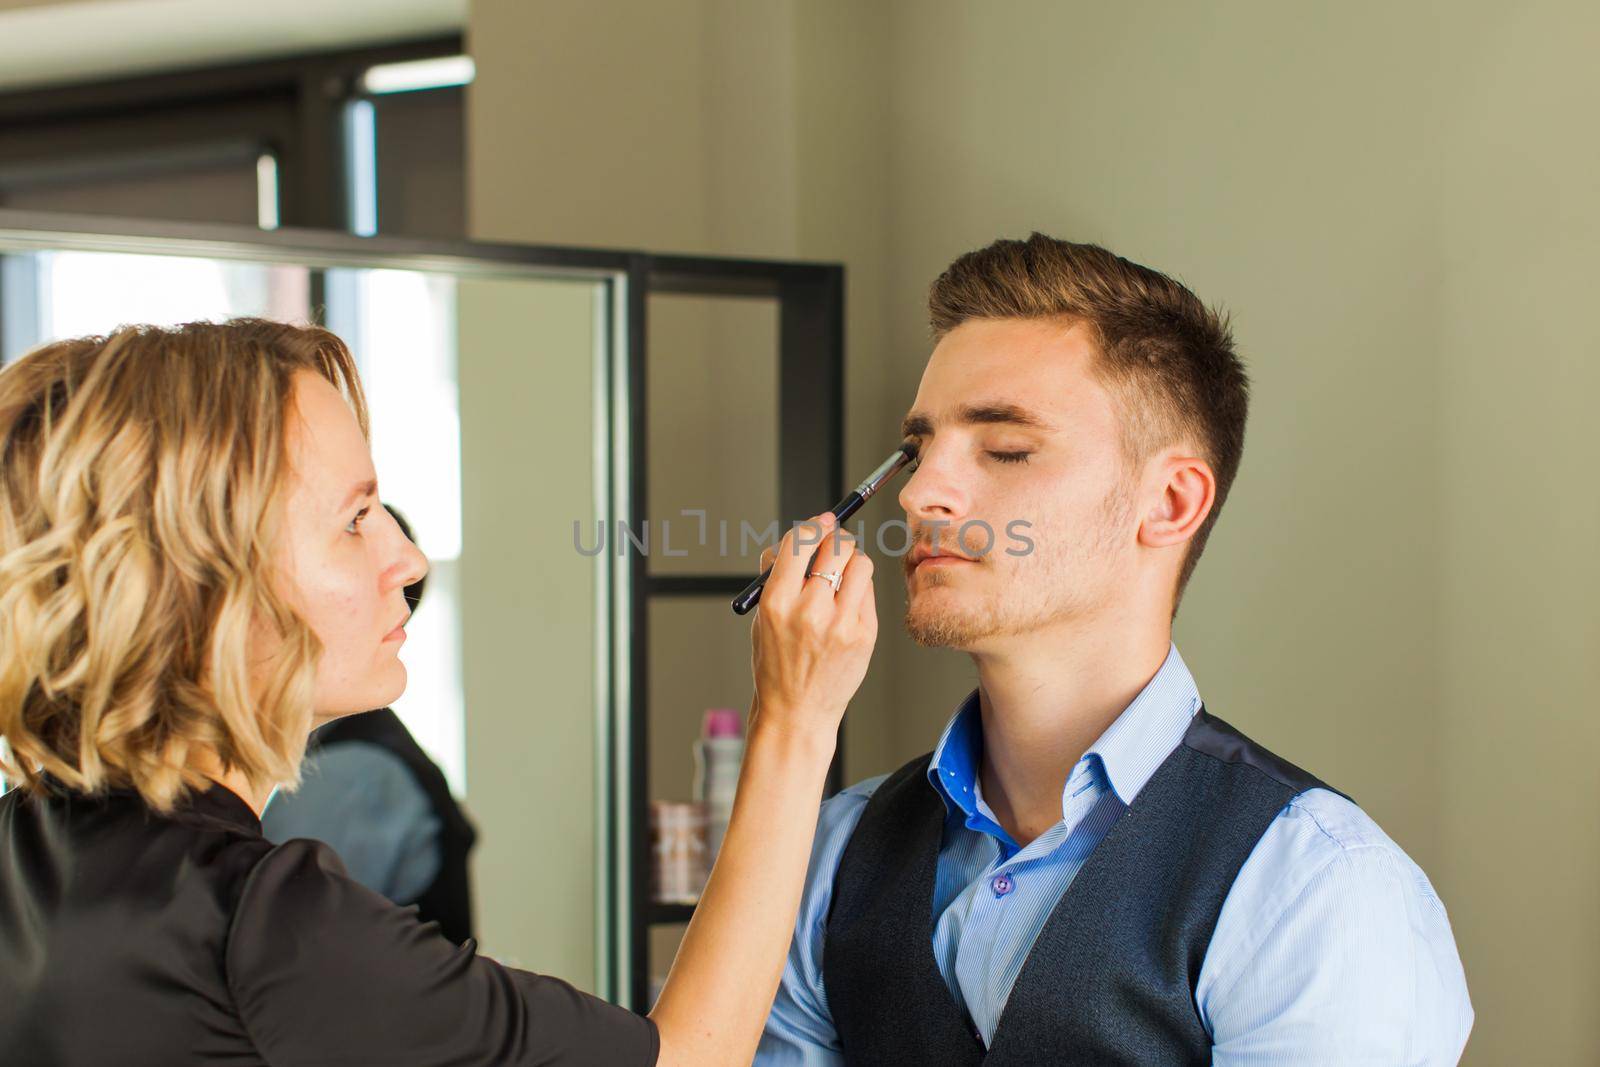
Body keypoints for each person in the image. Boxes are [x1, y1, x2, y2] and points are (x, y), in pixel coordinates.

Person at [0, 318, 876, 1066]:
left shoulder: (25, 846)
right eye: (353, 521)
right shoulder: (266, 926)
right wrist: (795, 720)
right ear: (201, 587)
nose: (407, 561)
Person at [757, 235, 1473, 1065]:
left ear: (1170, 501)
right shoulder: (830, 852)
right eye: (918, 452)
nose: (920, 495)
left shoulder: (1319, 891)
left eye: (1005, 448)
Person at [261, 504, 478, 946]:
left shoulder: (351, 774)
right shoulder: (338, 757)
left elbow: (285, 950)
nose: (410, 563)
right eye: (353, 524)